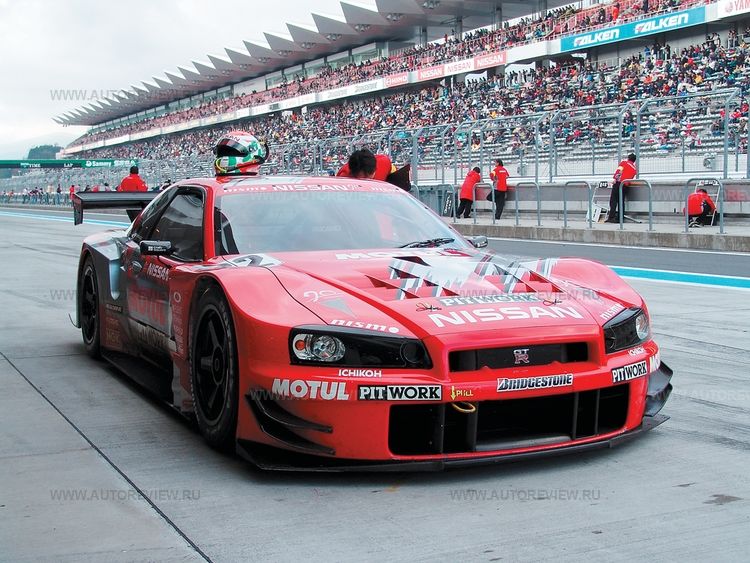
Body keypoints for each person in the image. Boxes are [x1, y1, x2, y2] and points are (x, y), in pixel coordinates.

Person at [337, 148, 411, 191]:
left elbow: (398, 177)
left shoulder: (384, 163)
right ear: (353, 173)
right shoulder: (343, 178)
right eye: (363, 178)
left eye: (371, 175)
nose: (368, 180)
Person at [606, 153, 637, 222]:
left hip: (619, 183)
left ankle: (611, 217)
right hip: (625, 185)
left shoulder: (624, 163)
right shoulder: (634, 169)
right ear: (634, 160)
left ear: (628, 158)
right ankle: (620, 218)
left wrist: (615, 179)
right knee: (621, 201)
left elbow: (619, 171)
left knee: (613, 200)